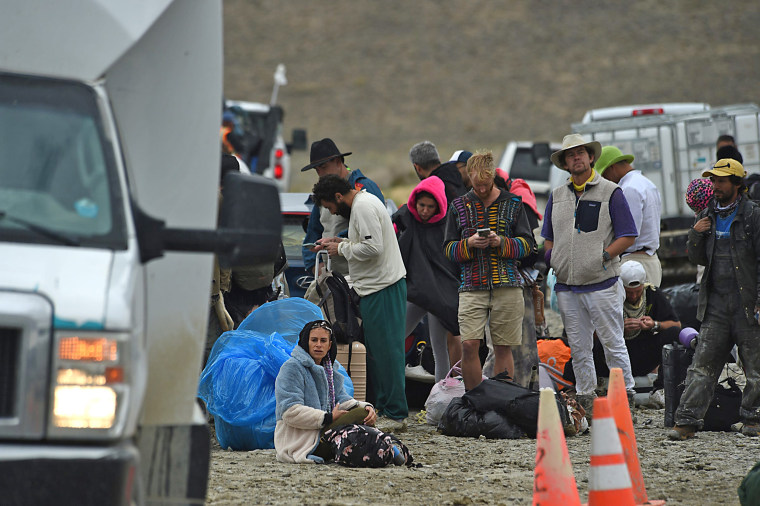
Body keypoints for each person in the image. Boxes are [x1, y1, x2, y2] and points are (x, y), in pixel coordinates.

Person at [542, 134, 638, 420]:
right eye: (570, 155)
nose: (576, 158)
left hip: (602, 284)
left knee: (613, 343)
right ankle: (586, 403)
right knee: (580, 347)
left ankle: (626, 399)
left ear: (591, 157)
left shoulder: (611, 192)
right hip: (567, 287)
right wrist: (553, 259)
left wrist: (604, 257)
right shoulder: (556, 196)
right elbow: (547, 237)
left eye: (580, 153)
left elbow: (628, 235)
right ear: (565, 163)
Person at [669, 158, 760, 440]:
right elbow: (697, 258)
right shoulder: (706, 214)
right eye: (713, 180)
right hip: (716, 306)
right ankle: (686, 421)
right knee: (702, 366)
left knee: (755, 367)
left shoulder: (753, 215)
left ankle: (753, 420)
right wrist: (695, 235)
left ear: (737, 184)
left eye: (721, 181)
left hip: (748, 304)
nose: (715, 186)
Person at [311, 175, 409, 432]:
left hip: (383, 288)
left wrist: (341, 250)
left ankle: (396, 413)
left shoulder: (363, 207)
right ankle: (385, 408)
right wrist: (339, 242)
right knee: (377, 353)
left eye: (330, 207)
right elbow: (364, 243)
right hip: (374, 288)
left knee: (388, 353)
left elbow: (373, 248)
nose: (332, 212)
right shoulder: (361, 205)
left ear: (338, 198)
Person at [443, 151, 536, 391]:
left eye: (485, 185)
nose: (481, 190)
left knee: (504, 346)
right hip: (471, 285)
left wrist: (502, 242)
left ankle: (502, 399)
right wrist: (469, 244)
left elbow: (528, 245)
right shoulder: (458, 206)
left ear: (493, 176)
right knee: (469, 344)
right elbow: (448, 249)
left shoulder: (513, 204)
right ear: (470, 180)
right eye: (476, 185)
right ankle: (475, 400)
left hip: (507, 283)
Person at [562, 261, 681, 407]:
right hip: (608, 357)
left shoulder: (652, 293)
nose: (633, 296)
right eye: (629, 292)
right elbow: (580, 334)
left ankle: (661, 387)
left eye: (637, 292)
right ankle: (584, 389)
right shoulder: (606, 295)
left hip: (642, 354)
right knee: (580, 350)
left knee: (674, 334)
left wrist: (654, 325)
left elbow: (676, 325)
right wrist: (614, 328)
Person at [274, 320, 377, 463]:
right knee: (360, 415)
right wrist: (327, 417)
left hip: (323, 433)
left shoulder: (330, 368)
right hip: (302, 443)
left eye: (323, 341)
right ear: (306, 342)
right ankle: (389, 450)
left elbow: (343, 400)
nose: (318, 345)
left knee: (364, 412)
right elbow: (289, 412)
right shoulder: (291, 368)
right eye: (314, 340)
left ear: (329, 345)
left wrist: (367, 407)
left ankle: (386, 449)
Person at [393, 175, 461, 381]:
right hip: (417, 293)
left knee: (440, 350)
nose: (424, 210)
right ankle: (392, 390)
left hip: (439, 297)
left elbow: (451, 263)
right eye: (421, 205)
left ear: (439, 205)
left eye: (430, 206)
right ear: (415, 201)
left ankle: (439, 400)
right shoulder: (406, 217)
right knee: (394, 340)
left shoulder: (449, 224)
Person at [301, 138, 384, 276]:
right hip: (332, 275)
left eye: (324, 167)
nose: (320, 174)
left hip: (361, 274)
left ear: (338, 162)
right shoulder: (324, 192)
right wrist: (315, 265)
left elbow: (377, 231)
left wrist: (338, 241)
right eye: (317, 170)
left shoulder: (364, 188)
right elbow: (313, 231)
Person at [596, 145, 663, 287]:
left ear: (612, 168)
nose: (605, 180)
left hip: (635, 262)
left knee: (635, 309)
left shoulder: (628, 189)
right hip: (649, 259)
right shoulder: (646, 183)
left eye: (604, 175)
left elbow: (629, 233)